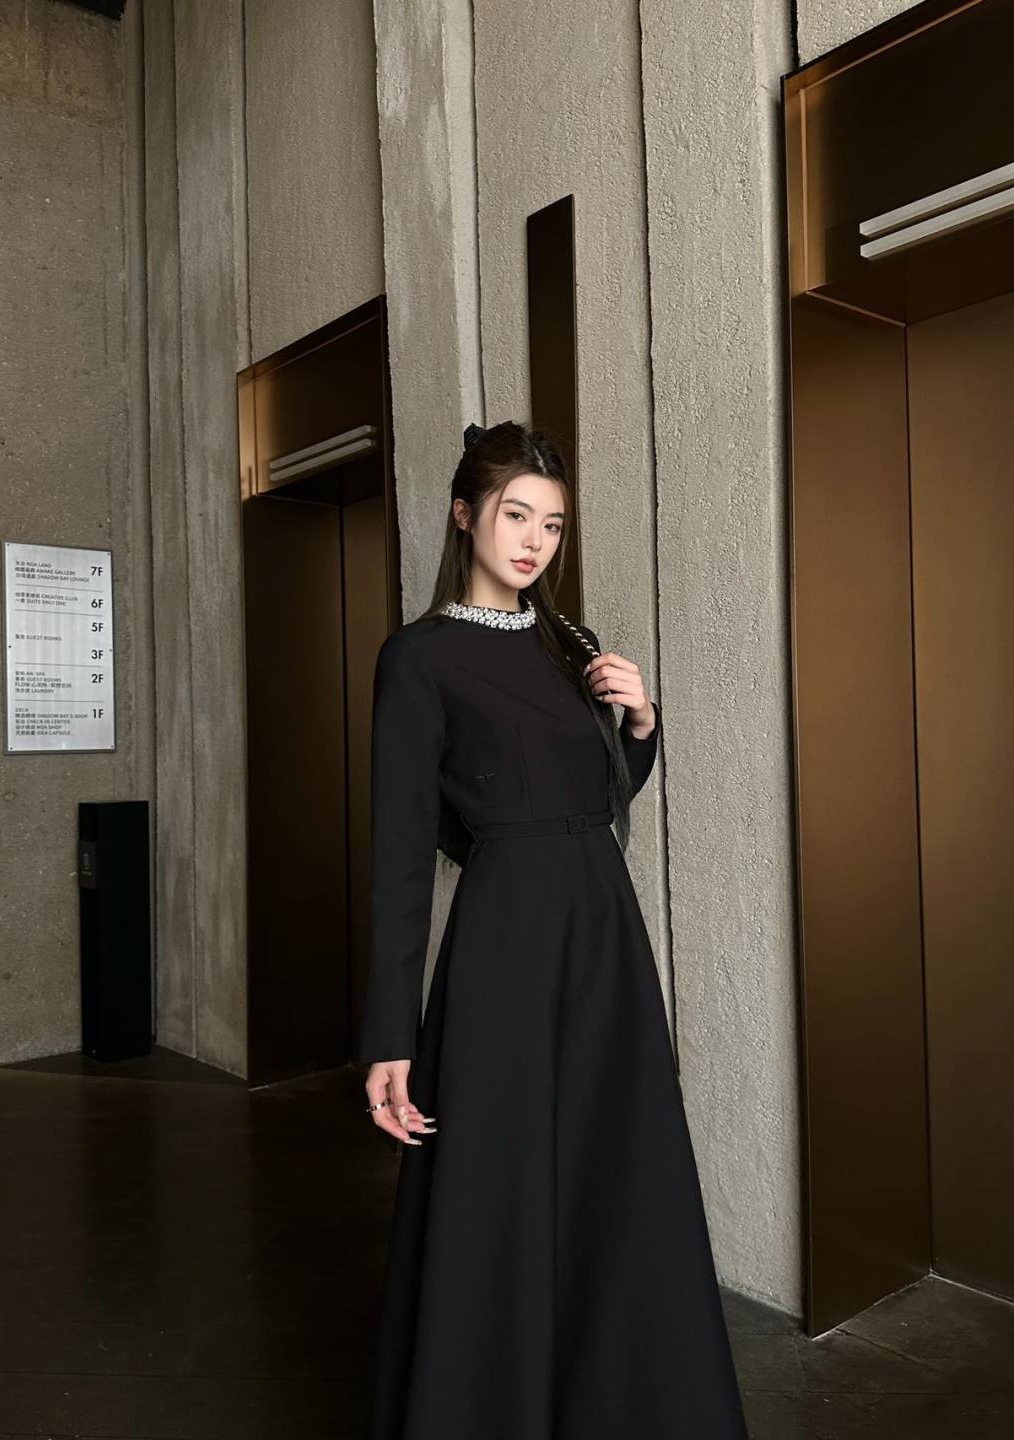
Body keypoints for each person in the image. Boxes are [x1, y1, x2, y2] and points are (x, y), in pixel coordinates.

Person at [360, 419, 749, 1438]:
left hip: (604, 941)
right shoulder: (417, 659)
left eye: (553, 524)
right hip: (507, 948)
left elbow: (594, 798)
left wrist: (640, 726)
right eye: (515, 515)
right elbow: (404, 853)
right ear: (464, 515)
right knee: (501, 1185)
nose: (534, 541)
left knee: (618, 1177)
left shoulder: (565, 644)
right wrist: (391, 1036)